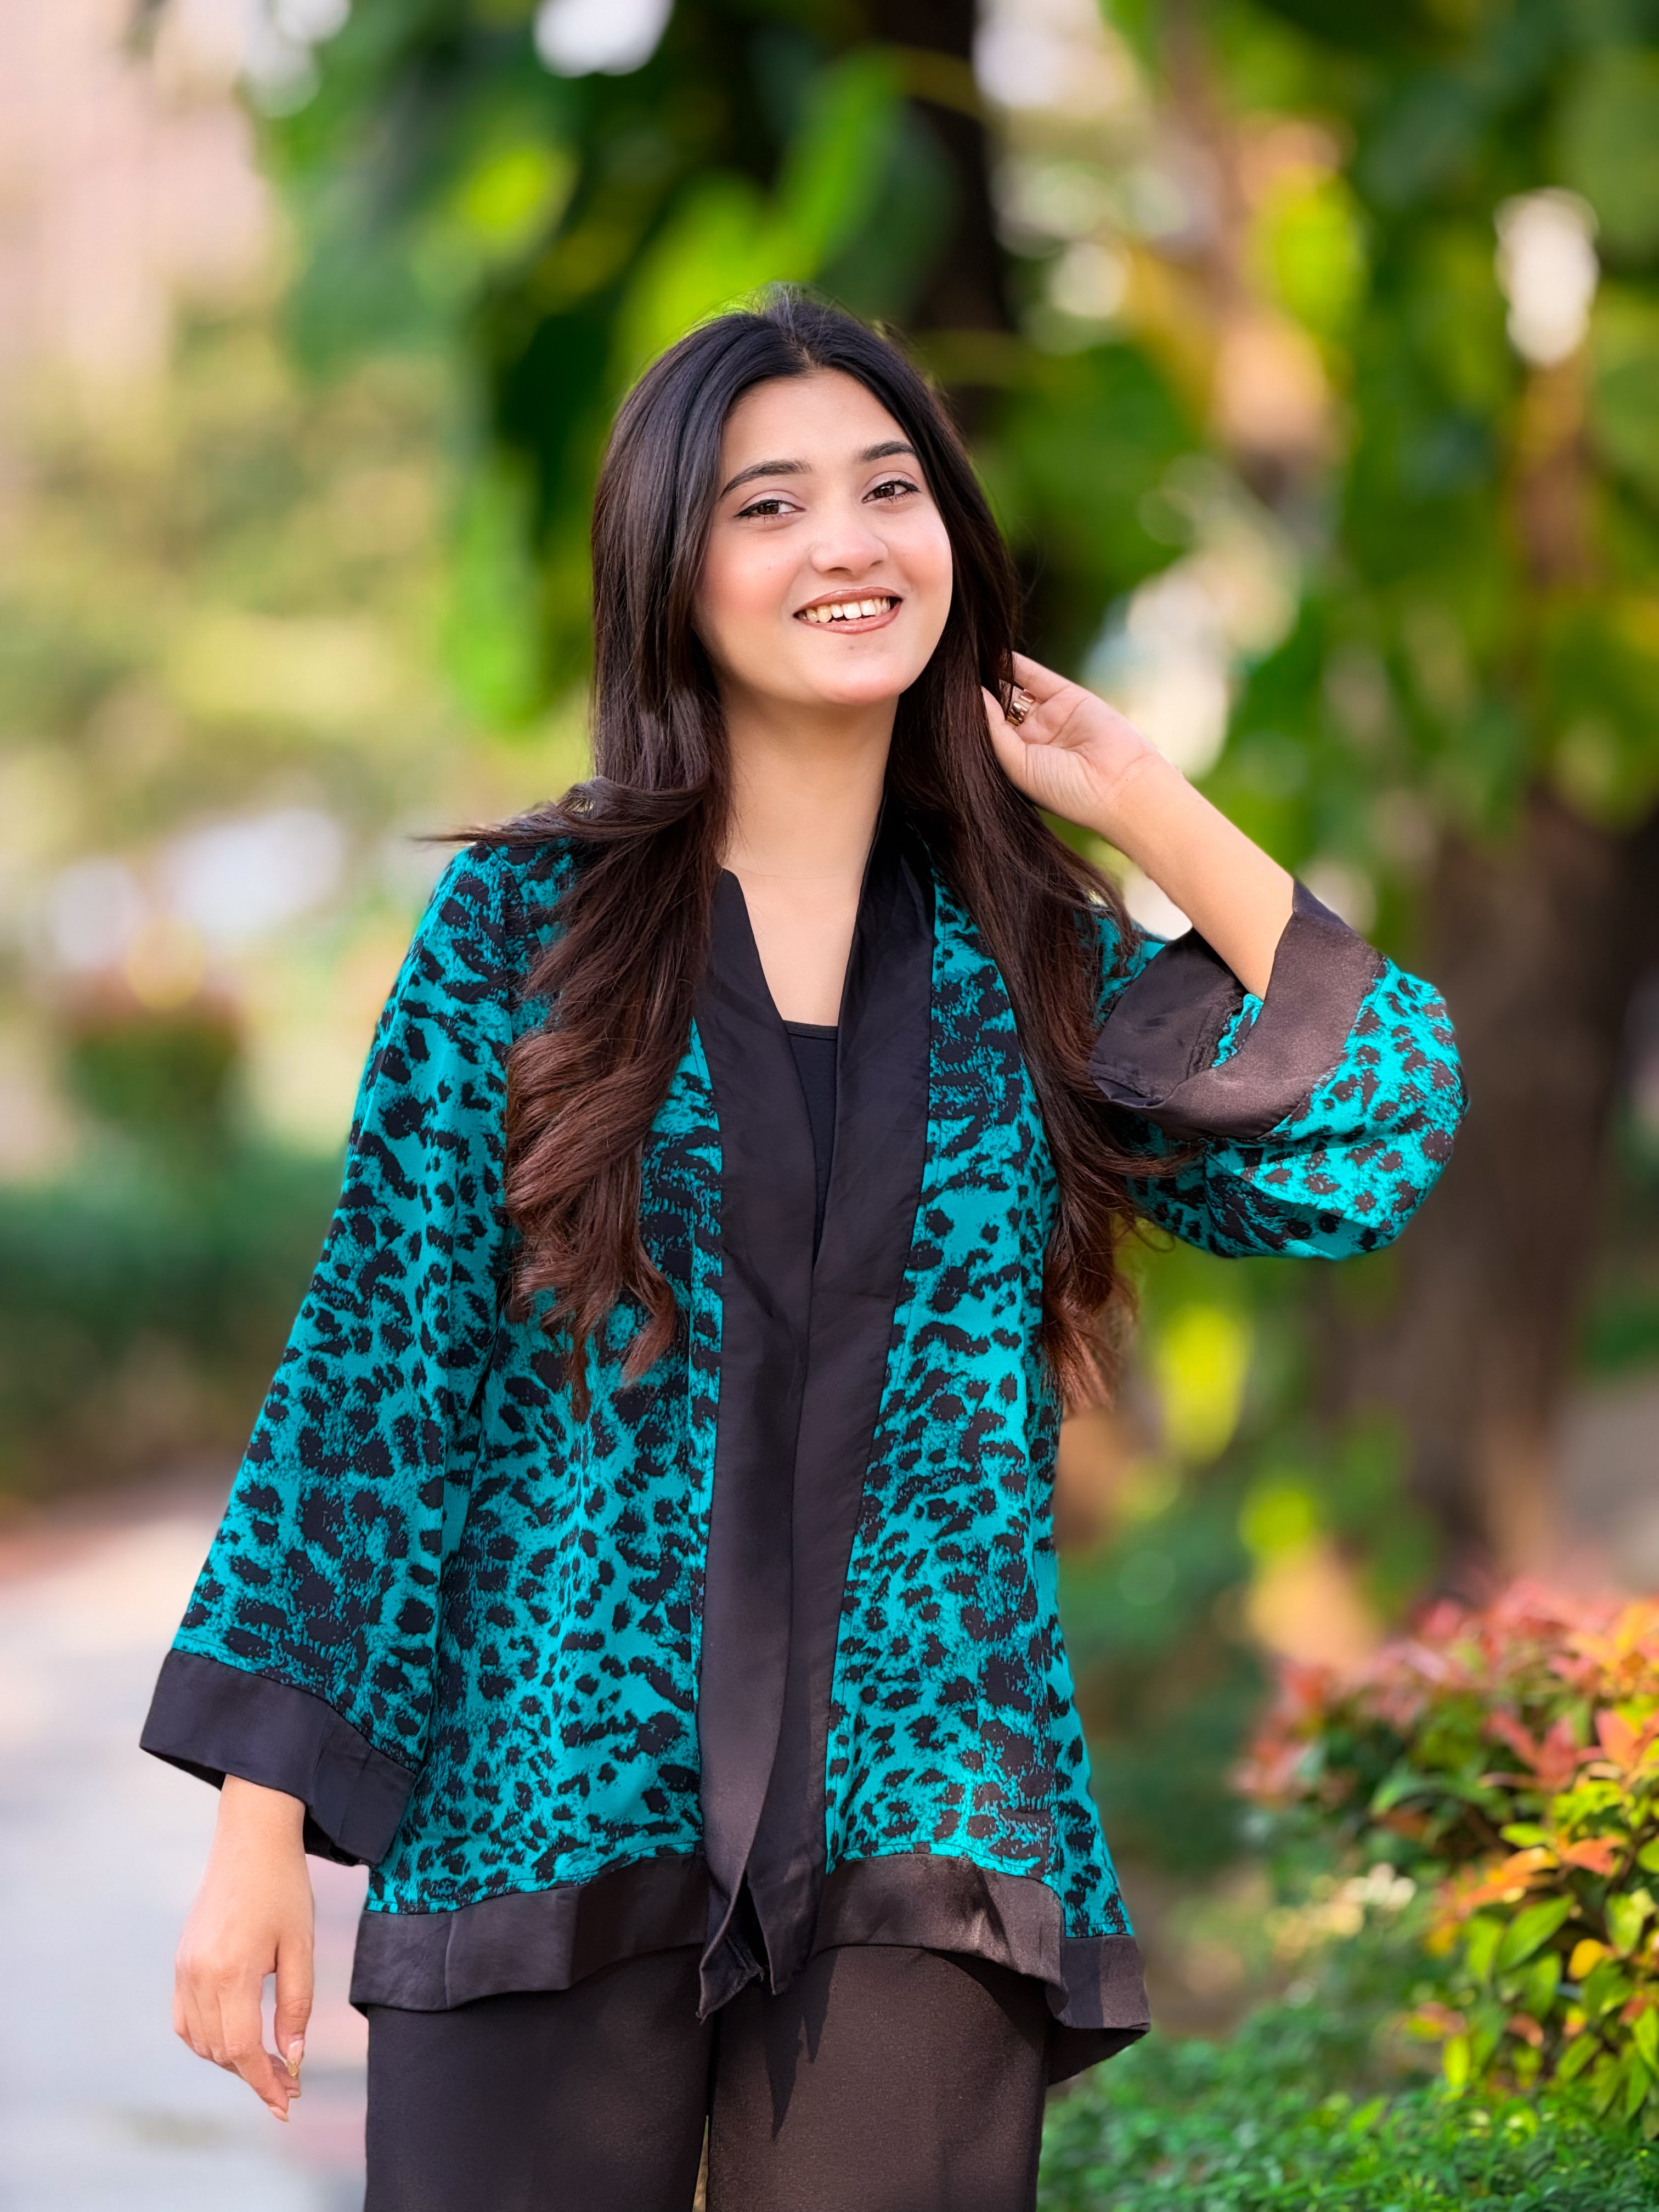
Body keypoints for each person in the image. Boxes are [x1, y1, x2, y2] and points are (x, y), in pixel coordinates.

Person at [142, 290, 1464, 2212]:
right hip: (550, 1781)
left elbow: (1376, 1134)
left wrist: (1147, 807)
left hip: (929, 1795)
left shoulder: (1035, 958)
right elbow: (377, 1371)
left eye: (890, 488)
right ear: (675, 573)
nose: (846, 541)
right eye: (770, 506)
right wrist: (260, 1834)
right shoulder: (531, 934)